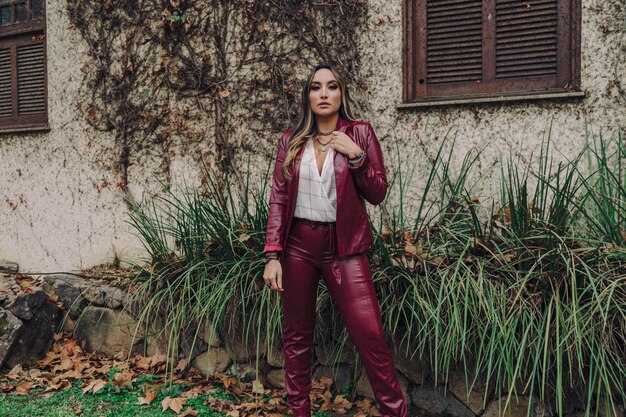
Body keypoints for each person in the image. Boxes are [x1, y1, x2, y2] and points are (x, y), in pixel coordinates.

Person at [262, 62, 408, 417]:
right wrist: (272, 254)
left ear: (341, 94)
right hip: (298, 246)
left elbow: (377, 192)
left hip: (345, 249)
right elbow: (280, 199)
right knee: (296, 338)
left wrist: (355, 155)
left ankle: (396, 412)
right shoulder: (290, 141)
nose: (323, 94)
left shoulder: (359, 134)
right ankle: (300, 412)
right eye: (315, 87)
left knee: (370, 336)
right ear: (307, 96)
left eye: (331, 87)